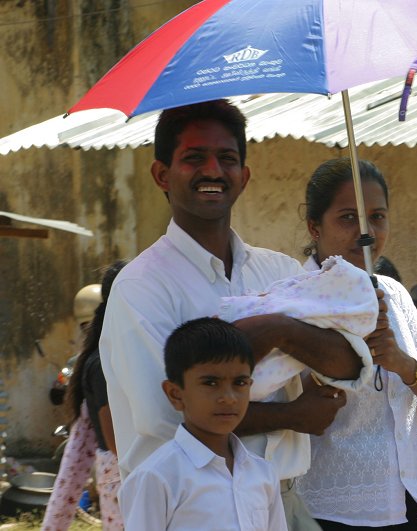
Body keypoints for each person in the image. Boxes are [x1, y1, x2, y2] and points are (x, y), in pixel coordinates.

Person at [99, 100, 361, 530]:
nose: (213, 171)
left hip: (281, 501)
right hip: (191, 509)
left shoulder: (278, 272)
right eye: (194, 158)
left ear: (244, 176)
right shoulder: (141, 288)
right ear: (161, 174)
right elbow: (171, 415)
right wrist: (295, 414)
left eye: (227, 158)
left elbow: (346, 365)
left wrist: (274, 328)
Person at [296, 157, 417, 530]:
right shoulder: (293, 301)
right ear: (314, 227)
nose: (366, 231)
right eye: (347, 218)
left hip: (411, 506)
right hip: (331, 514)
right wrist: (342, 356)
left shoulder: (394, 296)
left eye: (377, 216)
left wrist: (404, 365)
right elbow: (283, 412)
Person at [119, 317, 287, 530]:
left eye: (240, 383)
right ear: (176, 394)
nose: (229, 398)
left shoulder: (263, 473)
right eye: (210, 383)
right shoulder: (157, 477)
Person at [42, 262, 126, 531]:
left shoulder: (100, 359)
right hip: (127, 481)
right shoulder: (103, 363)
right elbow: (111, 444)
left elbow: (76, 457)